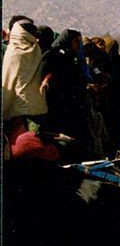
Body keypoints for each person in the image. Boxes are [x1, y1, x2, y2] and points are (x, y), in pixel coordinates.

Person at [41, 29, 95, 157]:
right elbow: (50, 73)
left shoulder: (72, 57)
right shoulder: (55, 55)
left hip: (72, 103)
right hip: (59, 103)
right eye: (76, 41)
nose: (78, 45)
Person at [2, 17, 49, 126]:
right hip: (19, 107)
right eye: (29, 30)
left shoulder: (35, 49)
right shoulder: (14, 51)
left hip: (35, 106)